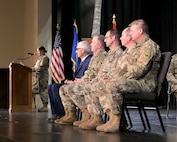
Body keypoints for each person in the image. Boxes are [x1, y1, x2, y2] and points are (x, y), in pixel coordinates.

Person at [81, 19, 161, 133]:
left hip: (145, 83)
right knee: (99, 85)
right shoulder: (137, 47)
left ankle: (115, 121)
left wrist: (117, 79)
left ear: (140, 31)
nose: (131, 33)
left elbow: (140, 70)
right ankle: (106, 118)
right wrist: (112, 78)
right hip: (134, 80)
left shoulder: (149, 46)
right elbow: (122, 69)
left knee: (112, 85)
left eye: (132, 31)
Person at [56, 29, 123, 125]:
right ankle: (75, 114)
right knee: (63, 88)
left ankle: (95, 117)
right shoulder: (100, 56)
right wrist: (81, 80)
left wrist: (83, 81)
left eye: (93, 42)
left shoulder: (107, 55)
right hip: (96, 81)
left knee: (82, 88)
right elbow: (95, 73)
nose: (90, 44)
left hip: (105, 82)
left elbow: (100, 73)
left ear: (99, 45)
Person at [47, 40, 92, 122]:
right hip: (75, 83)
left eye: (77, 49)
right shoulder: (80, 61)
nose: (76, 51)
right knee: (51, 87)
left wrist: (74, 82)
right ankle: (56, 113)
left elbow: (87, 76)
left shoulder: (89, 60)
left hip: (81, 84)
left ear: (83, 50)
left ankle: (62, 113)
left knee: (55, 88)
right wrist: (70, 81)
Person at [32, 46, 49, 112]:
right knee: (32, 90)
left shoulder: (45, 58)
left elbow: (40, 67)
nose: (37, 52)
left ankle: (45, 106)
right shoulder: (40, 58)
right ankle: (32, 105)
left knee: (43, 91)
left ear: (42, 51)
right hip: (37, 78)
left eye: (38, 51)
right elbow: (35, 67)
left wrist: (33, 69)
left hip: (43, 78)